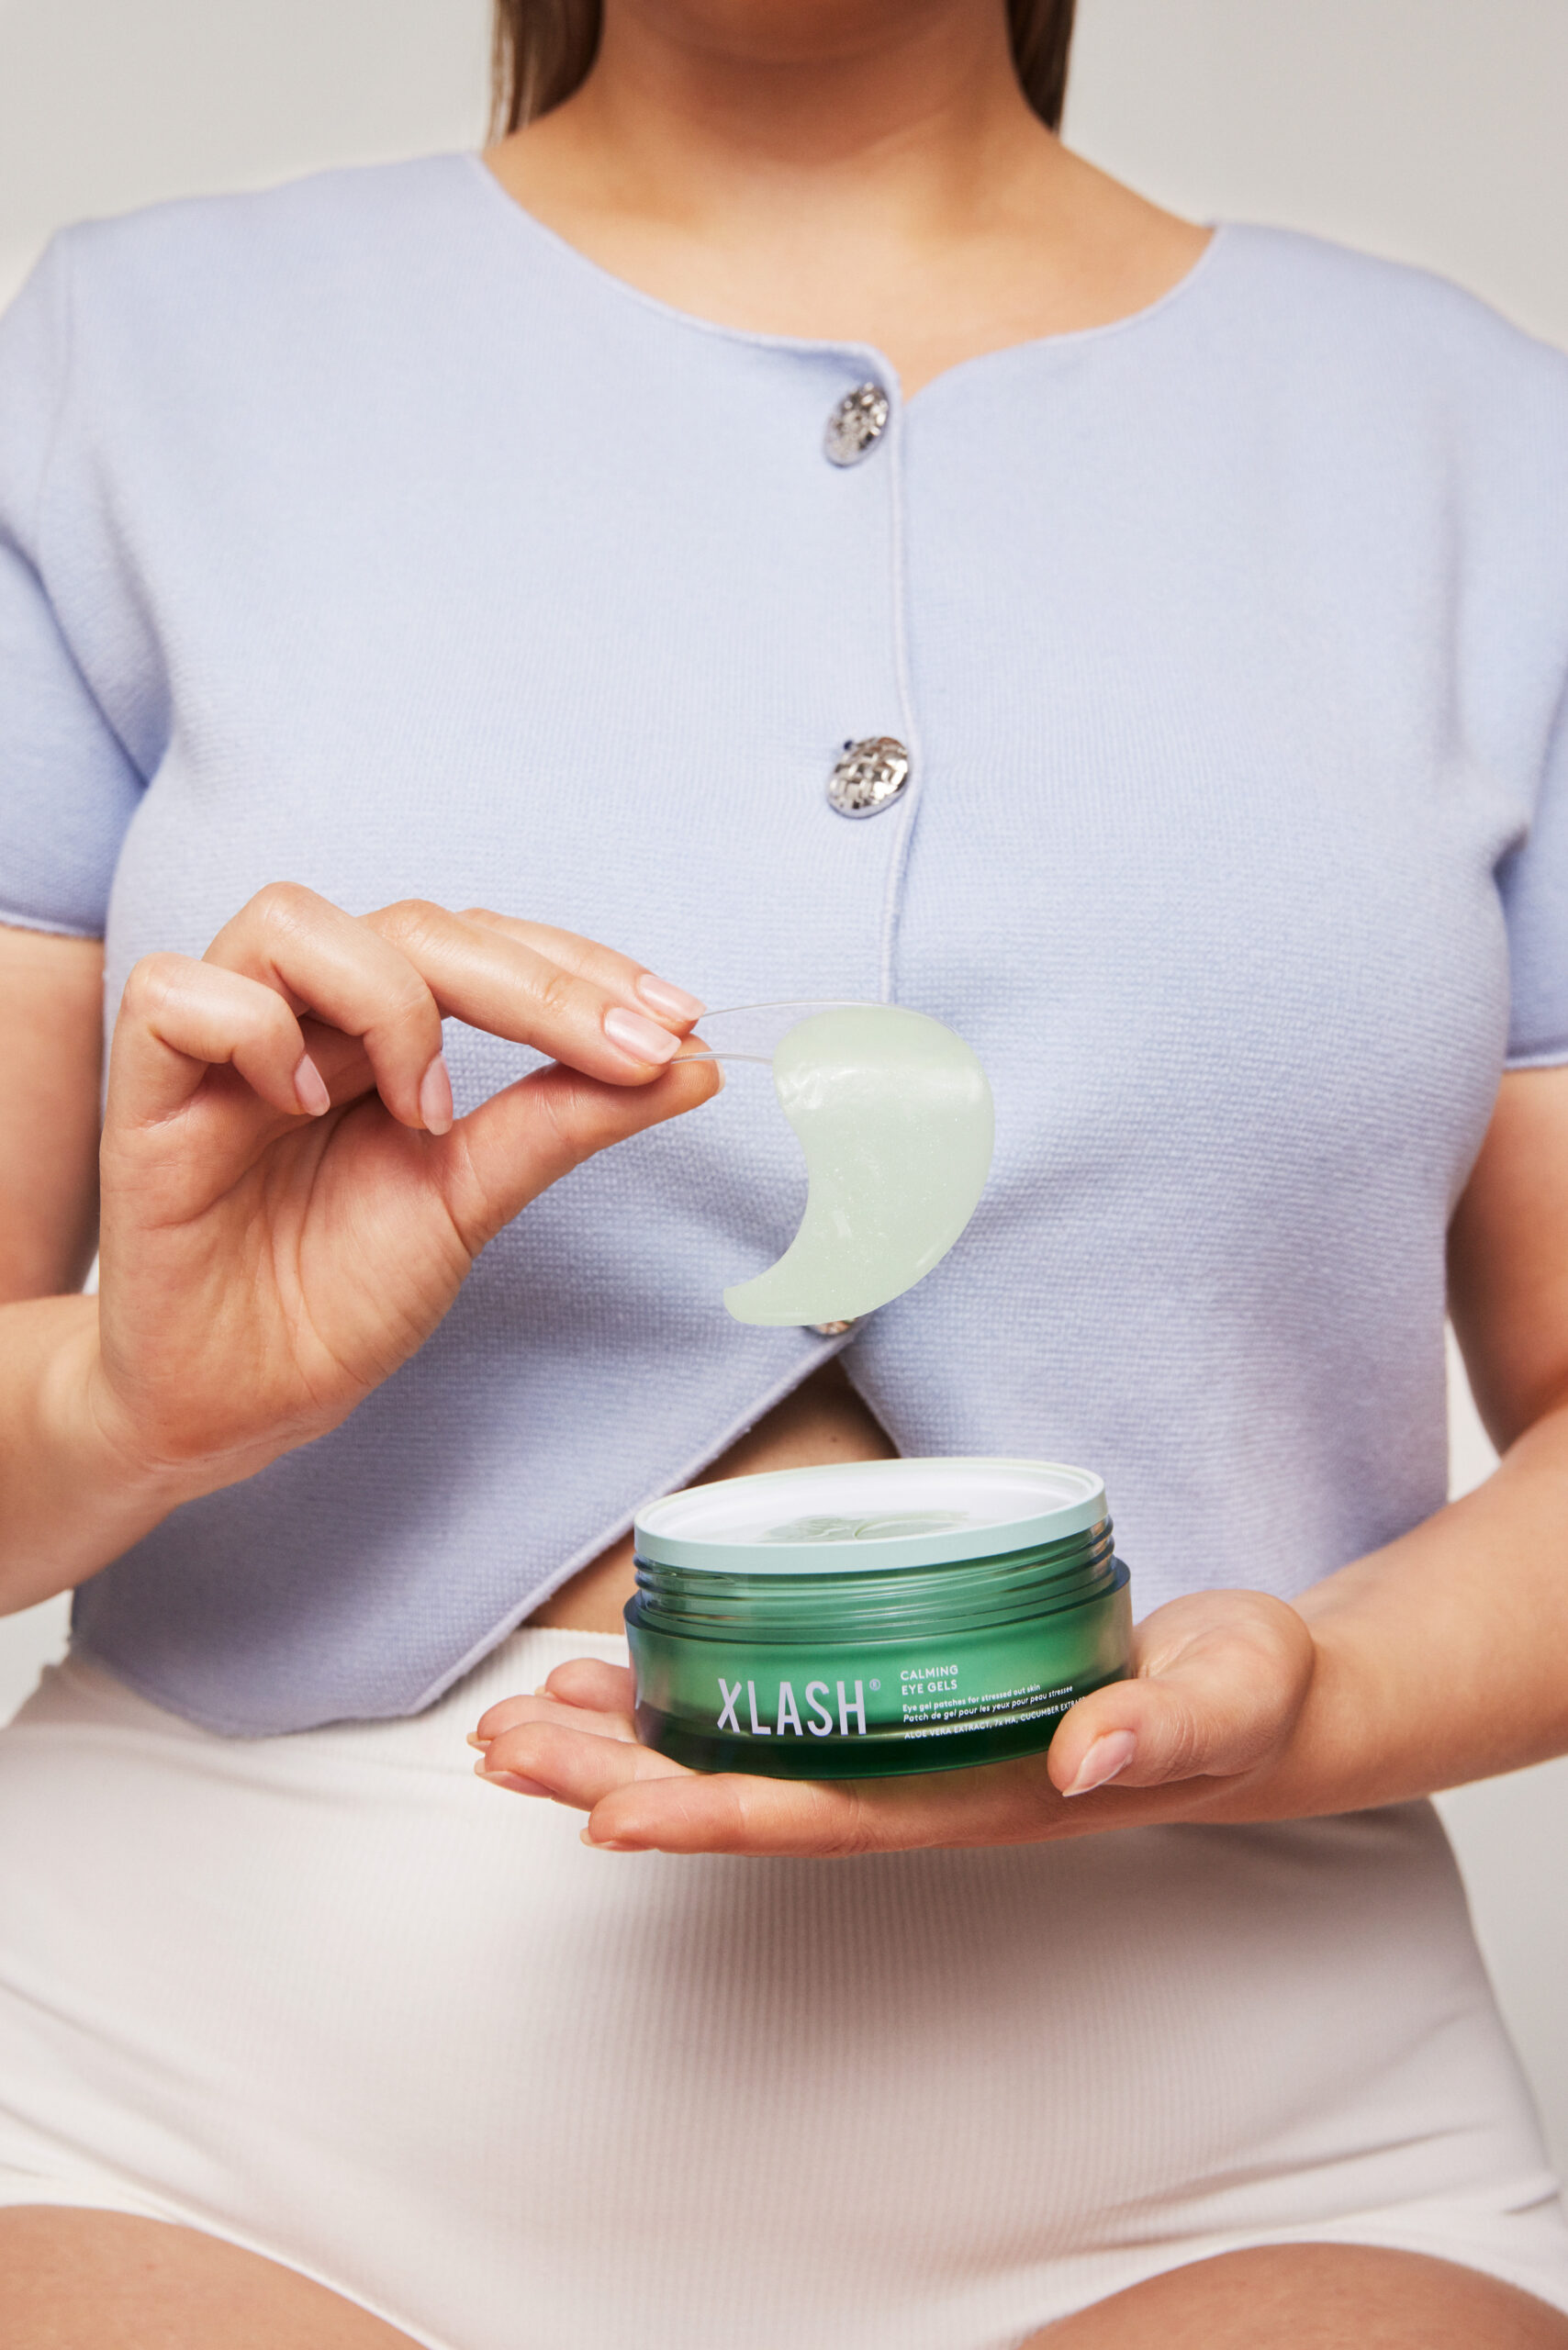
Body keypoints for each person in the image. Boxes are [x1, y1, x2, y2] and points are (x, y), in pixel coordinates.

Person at [3, 1, 1567, 2342]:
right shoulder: (122, 367)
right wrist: (133, 1394)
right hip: (182, 2112)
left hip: (1238, 2133)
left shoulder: (1483, 450)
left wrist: (1310, 1686)